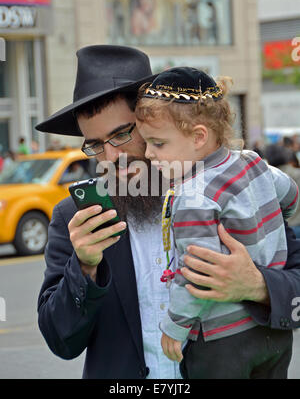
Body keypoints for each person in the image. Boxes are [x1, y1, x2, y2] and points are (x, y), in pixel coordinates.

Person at [35, 45, 300, 379]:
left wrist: (257, 285)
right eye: (96, 144)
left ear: (155, 121)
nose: (112, 157)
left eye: (122, 134)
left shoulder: (232, 190)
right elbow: (61, 341)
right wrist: (84, 268)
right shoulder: (76, 218)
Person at [135, 66, 299, 378]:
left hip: (222, 341)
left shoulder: (192, 196)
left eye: (158, 143)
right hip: (273, 330)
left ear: (198, 137)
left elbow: (198, 274)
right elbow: (290, 197)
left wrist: (174, 327)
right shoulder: (252, 161)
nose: (148, 154)